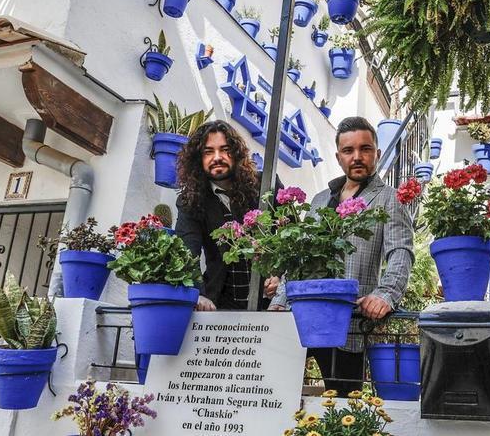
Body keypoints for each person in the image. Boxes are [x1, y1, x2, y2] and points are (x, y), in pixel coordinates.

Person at [269, 116, 414, 394]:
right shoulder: (320, 200)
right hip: (301, 317)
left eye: (365, 149)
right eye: (349, 150)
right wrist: (279, 299)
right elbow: (299, 256)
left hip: (348, 326)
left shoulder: (388, 198)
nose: (357, 157)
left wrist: (385, 294)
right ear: (338, 157)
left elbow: (400, 252)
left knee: (344, 405)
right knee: (281, 398)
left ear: (377, 153)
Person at [175, 120, 280, 311]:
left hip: (270, 302)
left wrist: (279, 275)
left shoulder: (265, 185)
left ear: (237, 153)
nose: (217, 157)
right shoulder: (189, 201)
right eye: (208, 152)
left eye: (225, 149)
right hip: (220, 304)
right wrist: (197, 294)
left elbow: (288, 235)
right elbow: (186, 252)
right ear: (198, 159)